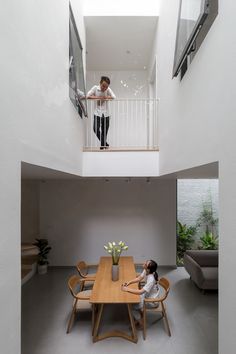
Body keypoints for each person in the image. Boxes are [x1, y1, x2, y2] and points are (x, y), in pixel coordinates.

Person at [121, 259, 159, 328]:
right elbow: (139, 278)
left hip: (151, 301)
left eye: (145, 264)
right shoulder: (147, 271)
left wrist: (127, 289)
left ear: (148, 269)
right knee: (132, 300)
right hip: (146, 295)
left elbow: (140, 292)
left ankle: (140, 322)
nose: (144, 263)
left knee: (131, 306)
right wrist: (129, 282)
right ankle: (140, 316)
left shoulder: (151, 279)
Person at [87, 76, 116, 149]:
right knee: (95, 129)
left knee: (104, 132)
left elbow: (114, 97)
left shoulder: (108, 89)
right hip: (97, 113)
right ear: (100, 83)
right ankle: (105, 144)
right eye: (103, 86)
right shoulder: (95, 88)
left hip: (106, 114)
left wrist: (106, 97)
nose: (104, 88)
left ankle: (103, 146)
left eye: (106, 87)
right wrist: (98, 98)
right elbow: (88, 96)